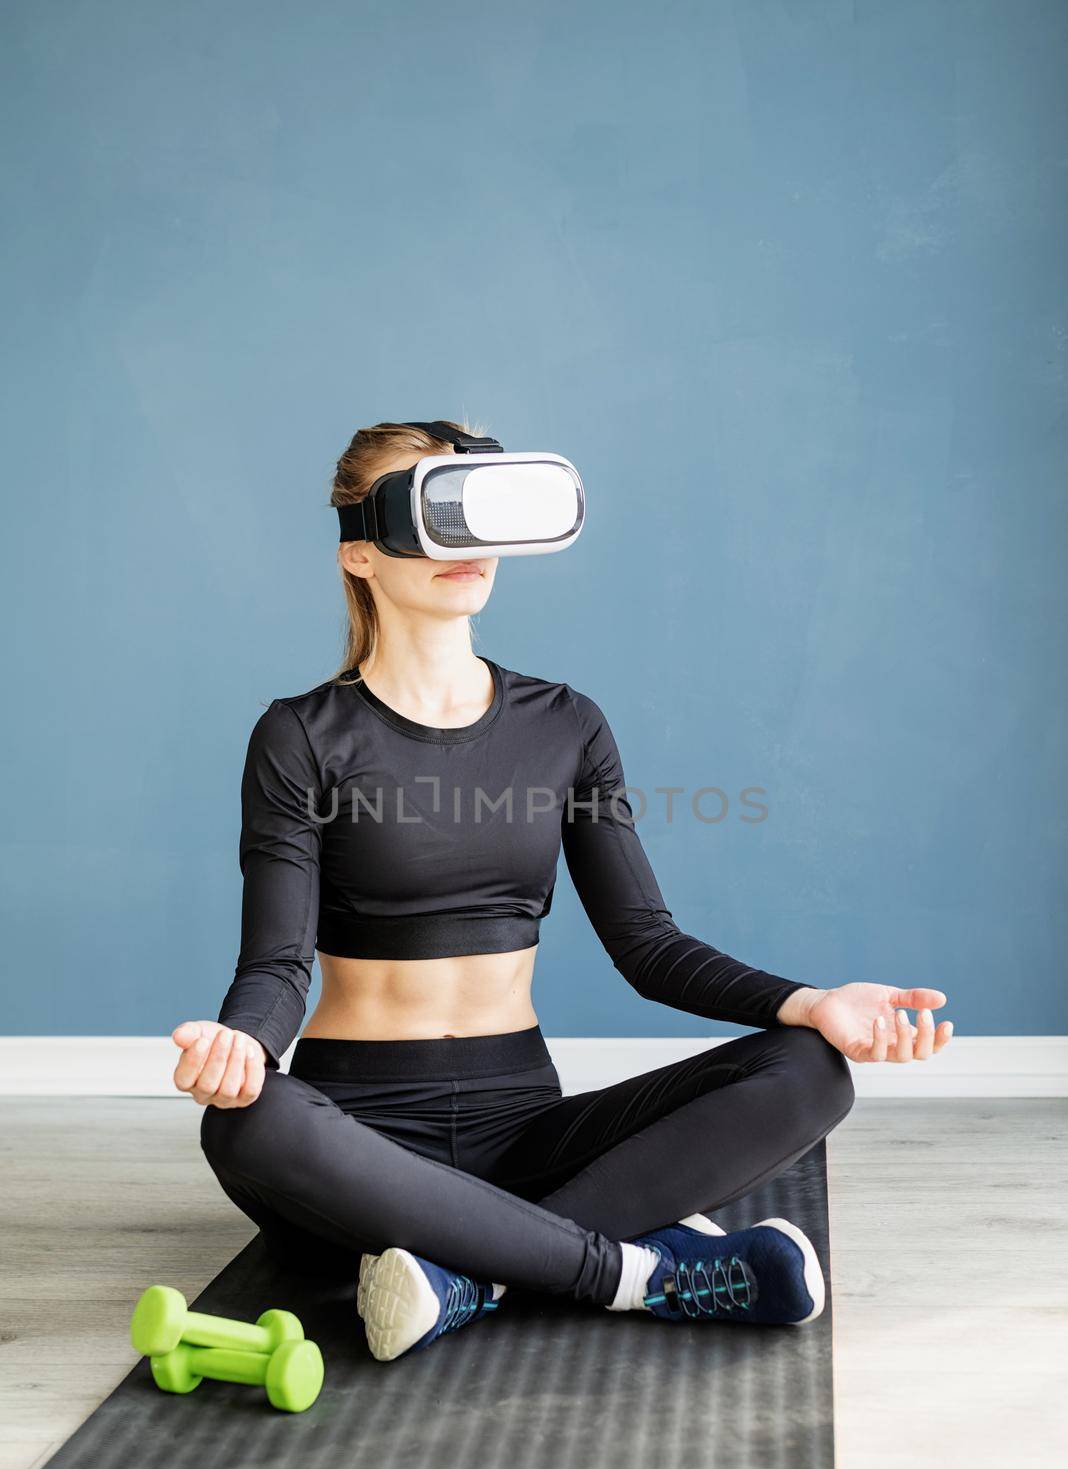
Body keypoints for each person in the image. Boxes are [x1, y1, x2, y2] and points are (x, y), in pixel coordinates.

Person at [172, 419, 954, 1362]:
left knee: (811, 1067)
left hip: (525, 1126)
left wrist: (813, 1002)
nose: (465, 545)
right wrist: (242, 1045)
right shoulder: (301, 735)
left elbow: (649, 945)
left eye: (475, 514)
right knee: (248, 1120)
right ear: (361, 553)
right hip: (362, 1142)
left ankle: (468, 1278)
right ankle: (634, 1275)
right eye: (431, 515)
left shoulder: (565, 723)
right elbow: (277, 963)